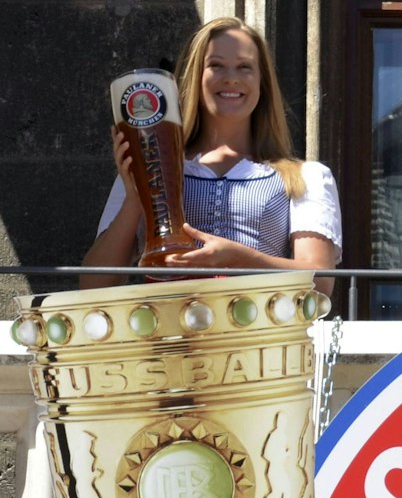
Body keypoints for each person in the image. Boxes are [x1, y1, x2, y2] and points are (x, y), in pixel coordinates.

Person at [84, 17, 340, 297]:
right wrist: (135, 197)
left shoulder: (305, 177)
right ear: (195, 76)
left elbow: (321, 284)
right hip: (169, 331)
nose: (231, 78)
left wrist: (240, 258)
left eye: (245, 67)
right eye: (216, 65)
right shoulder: (147, 168)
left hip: (259, 331)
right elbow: (93, 285)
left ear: (262, 83)